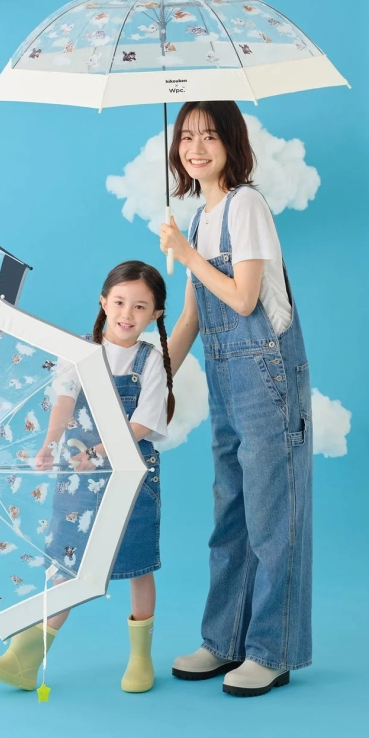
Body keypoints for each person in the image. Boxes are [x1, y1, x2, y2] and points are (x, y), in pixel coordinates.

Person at [160, 101, 313, 697]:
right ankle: (224, 640)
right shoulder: (201, 216)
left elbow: (245, 299)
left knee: (273, 518)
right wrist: (157, 380)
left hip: (268, 378)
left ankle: (272, 650)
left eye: (210, 136)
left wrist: (187, 253)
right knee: (231, 513)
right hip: (226, 378)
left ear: (232, 144)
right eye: (187, 136)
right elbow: (197, 315)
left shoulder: (245, 206)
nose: (196, 147)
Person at [0, 260, 175, 693]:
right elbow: (63, 401)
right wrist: (49, 443)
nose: (127, 313)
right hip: (77, 482)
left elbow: (145, 421)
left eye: (140, 306)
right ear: (103, 302)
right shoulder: (81, 351)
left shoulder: (149, 361)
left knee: (137, 565)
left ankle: (141, 658)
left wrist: (101, 450)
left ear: (155, 314)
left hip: (131, 478)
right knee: (66, 564)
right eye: (119, 302)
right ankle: (26, 658)